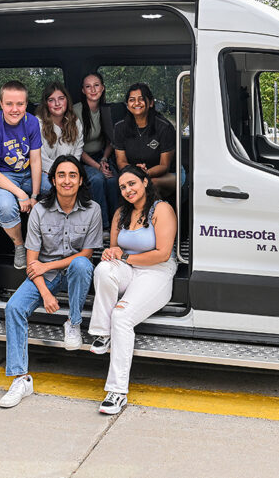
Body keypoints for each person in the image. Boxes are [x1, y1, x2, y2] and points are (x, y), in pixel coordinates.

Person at [0, 155, 103, 408]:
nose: (67, 181)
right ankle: (21, 379)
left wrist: (49, 265)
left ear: (80, 181)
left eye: (72, 175)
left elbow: (86, 255)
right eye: (61, 175)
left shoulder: (93, 210)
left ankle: (74, 323)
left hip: (73, 270)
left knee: (80, 264)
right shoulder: (40, 211)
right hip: (44, 274)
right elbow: (33, 263)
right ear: (53, 180)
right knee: (14, 308)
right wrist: (45, 293)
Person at [88, 165, 177, 414]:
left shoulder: (162, 210)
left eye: (132, 184)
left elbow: (162, 254)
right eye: (123, 187)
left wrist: (124, 257)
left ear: (145, 182)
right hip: (130, 269)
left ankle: (116, 392)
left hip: (156, 272)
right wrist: (111, 252)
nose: (128, 190)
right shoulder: (120, 214)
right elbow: (116, 250)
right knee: (103, 269)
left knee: (122, 317)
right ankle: (101, 332)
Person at [0, 80, 42, 269]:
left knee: (60, 187)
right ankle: (19, 246)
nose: (15, 109)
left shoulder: (31, 122)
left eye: (20, 104)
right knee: (7, 207)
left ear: (26, 104)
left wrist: (35, 196)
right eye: (9, 104)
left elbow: (36, 161)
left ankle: (55, 241)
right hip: (3, 177)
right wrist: (21, 195)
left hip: (28, 173)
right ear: (0, 104)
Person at [113, 83, 181, 197]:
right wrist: (135, 173)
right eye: (132, 100)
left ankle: (153, 215)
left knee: (149, 184)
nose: (136, 103)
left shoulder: (164, 127)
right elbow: (121, 162)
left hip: (168, 174)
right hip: (134, 174)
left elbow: (164, 166)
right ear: (127, 105)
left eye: (141, 99)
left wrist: (145, 173)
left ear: (151, 103)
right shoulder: (120, 127)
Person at [73, 72, 118, 240]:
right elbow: (76, 147)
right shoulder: (76, 110)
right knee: (98, 180)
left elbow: (110, 141)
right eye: (88, 86)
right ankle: (103, 227)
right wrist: (98, 166)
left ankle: (117, 224)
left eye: (96, 85)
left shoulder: (106, 110)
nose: (93, 89)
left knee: (113, 180)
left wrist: (104, 160)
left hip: (102, 155)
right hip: (81, 157)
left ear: (103, 88)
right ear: (83, 90)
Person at [36, 82, 84, 193]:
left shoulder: (75, 122)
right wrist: (60, 174)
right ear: (46, 104)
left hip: (71, 171)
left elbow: (78, 150)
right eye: (51, 100)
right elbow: (40, 157)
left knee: (91, 182)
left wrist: (70, 173)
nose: (57, 103)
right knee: (59, 188)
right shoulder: (38, 123)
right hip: (46, 173)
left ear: (67, 100)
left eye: (61, 98)